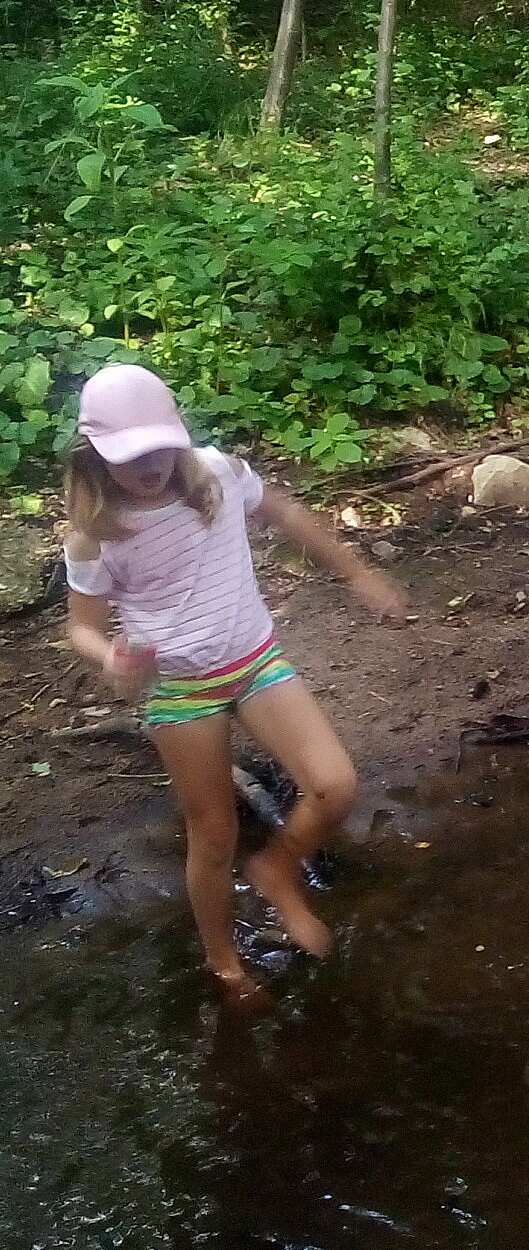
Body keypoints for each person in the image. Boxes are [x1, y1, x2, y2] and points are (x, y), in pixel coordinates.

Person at [63, 364, 407, 1001]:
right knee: (214, 835)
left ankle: (277, 868)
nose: (150, 466)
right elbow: (81, 628)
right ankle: (224, 963)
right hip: (180, 689)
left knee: (335, 785)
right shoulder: (96, 536)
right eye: (131, 457)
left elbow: (290, 516)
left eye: (159, 448)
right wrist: (108, 656)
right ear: (97, 455)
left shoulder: (217, 474)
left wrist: (358, 574)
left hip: (254, 660)